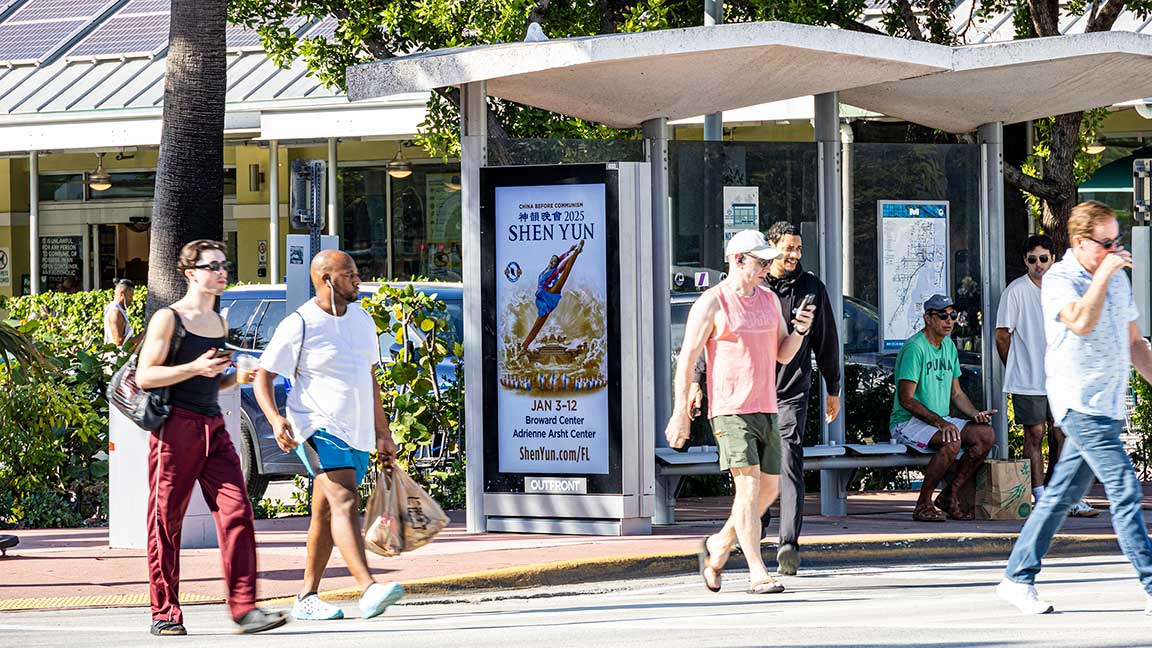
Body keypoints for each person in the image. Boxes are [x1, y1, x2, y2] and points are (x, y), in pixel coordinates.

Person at [998, 201, 1152, 615]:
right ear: (1081, 243)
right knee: (1124, 488)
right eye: (1106, 243)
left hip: (1108, 405)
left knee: (1060, 496)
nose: (1115, 250)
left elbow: (1135, 343)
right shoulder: (1060, 279)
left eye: (1117, 240)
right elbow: (1081, 322)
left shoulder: (1115, 279)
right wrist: (1103, 275)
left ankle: (1017, 577)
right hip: (1077, 403)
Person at [133, 240, 287, 636]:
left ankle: (244, 609)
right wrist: (194, 367)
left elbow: (213, 382)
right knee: (166, 522)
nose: (222, 272)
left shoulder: (218, 321)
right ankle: (165, 613)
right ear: (191, 273)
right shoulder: (170, 319)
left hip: (213, 427)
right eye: (213, 266)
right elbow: (146, 376)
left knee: (238, 512)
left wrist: (238, 376)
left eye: (224, 264)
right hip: (175, 429)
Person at [255, 249, 405, 622]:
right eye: (350, 275)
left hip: (357, 431)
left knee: (323, 514)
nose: (358, 281)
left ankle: (306, 596)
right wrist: (275, 419)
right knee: (345, 501)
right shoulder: (300, 324)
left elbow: (369, 378)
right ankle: (368, 588)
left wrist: (382, 432)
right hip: (316, 426)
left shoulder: (362, 320)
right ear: (326, 279)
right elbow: (263, 376)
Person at [666, 229, 814, 594]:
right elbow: (686, 360)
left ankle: (718, 546)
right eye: (761, 261)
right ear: (737, 260)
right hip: (730, 409)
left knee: (770, 489)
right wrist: (679, 412)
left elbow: (782, 352)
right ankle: (756, 570)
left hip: (767, 405)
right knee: (747, 488)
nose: (768, 267)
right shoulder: (713, 302)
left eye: (768, 261)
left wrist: (798, 330)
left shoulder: (767, 299)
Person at [690, 221, 841, 576]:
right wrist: (696, 383)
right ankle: (751, 554)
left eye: (798, 249)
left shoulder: (809, 289)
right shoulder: (746, 290)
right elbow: (706, 342)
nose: (794, 255)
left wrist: (832, 388)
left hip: (787, 394)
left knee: (784, 468)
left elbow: (826, 341)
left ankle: (787, 542)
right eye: (788, 248)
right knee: (754, 483)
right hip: (742, 399)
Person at [995, 235, 1098, 518]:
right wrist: (1015, 366)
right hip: (1029, 378)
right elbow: (1002, 334)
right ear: (1025, 261)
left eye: (1043, 258)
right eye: (1032, 259)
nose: (1038, 265)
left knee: (1066, 433)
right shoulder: (1015, 291)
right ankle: (1040, 497)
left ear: (1053, 258)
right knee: (1035, 433)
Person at [889, 293, 996, 522]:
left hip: (938, 421)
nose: (949, 321)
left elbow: (956, 393)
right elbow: (906, 399)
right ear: (928, 318)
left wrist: (975, 414)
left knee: (985, 435)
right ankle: (923, 504)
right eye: (943, 315)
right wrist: (941, 422)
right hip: (906, 423)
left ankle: (949, 496)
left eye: (953, 315)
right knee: (951, 439)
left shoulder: (948, 346)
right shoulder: (914, 348)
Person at [521, 239, 585, 352]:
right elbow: (559, 258)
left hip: (549, 294)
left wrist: (574, 252)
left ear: (556, 263)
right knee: (538, 323)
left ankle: (577, 253)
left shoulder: (554, 271)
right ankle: (524, 346)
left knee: (565, 273)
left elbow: (562, 265)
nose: (552, 262)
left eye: (555, 261)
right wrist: (568, 251)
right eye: (552, 260)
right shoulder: (545, 270)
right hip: (541, 298)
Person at [104, 279, 136, 347]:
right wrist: (141, 337)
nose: (131, 299)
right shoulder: (115, 312)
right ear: (122, 294)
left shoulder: (116, 310)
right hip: (116, 356)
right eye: (130, 296)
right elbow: (118, 342)